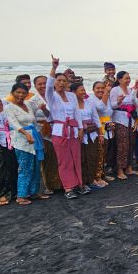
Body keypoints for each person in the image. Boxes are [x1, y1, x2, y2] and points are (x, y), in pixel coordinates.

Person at [47, 55, 88, 199]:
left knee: (76, 158)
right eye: (59, 80)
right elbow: (48, 85)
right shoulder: (51, 96)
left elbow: (77, 112)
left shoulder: (71, 96)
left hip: (74, 131)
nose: (61, 83)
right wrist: (54, 68)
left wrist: (81, 128)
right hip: (60, 132)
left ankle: (79, 184)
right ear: (54, 82)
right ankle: (68, 187)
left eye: (64, 81)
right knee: (64, 161)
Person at [4, 83, 49, 205]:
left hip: (34, 137)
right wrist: (26, 134)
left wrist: (43, 107)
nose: (20, 95)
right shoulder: (9, 107)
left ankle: (34, 192)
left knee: (35, 167)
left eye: (23, 93)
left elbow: (40, 104)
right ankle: (21, 195)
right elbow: (14, 123)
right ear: (12, 93)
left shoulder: (29, 104)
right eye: (18, 92)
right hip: (21, 140)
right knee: (25, 167)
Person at [31, 75, 61, 193]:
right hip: (42, 131)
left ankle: (61, 182)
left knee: (59, 157)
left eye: (45, 83)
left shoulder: (55, 96)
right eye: (40, 84)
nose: (43, 86)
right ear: (35, 86)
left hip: (58, 129)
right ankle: (50, 185)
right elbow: (31, 118)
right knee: (47, 158)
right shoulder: (32, 100)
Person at [73, 83, 105, 189]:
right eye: (81, 90)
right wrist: (80, 128)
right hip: (79, 134)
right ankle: (83, 181)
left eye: (84, 90)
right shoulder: (72, 105)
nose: (84, 92)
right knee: (82, 158)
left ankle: (92, 179)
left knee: (92, 156)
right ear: (74, 92)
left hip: (92, 133)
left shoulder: (89, 102)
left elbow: (96, 118)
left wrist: (101, 133)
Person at [109, 71, 137, 179]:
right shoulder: (115, 90)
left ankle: (129, 167)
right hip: (119, 119)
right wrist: (119, 102)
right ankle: (119, 169)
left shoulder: (130, 90)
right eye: (126, 78)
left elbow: (133, 103)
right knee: (122, 145)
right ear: (119, 79)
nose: (128, 80)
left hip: (130, 118)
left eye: (129, 78)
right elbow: (112, 106)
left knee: (131, 142)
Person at [88, 81, 114, 181]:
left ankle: (102, 174)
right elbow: (101, 107)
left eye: (102, 88)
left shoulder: (107, 98)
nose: (100, 90)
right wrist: (106, 93)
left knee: (104, 153)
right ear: (93, 90)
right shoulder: (91, 99)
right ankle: (97, 177)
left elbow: (109, 112)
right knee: (98, 153)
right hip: (97, 130)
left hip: (107, 128)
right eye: (98, 88)